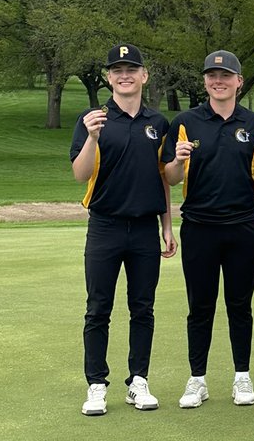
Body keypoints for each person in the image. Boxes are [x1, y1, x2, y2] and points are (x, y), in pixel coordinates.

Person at [70, 43, 176, 415]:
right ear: (108, 77)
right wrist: (93, 138)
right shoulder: (93, 119)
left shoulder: (158, 123)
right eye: (117, 70)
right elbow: (80, 174)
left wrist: (167, 226)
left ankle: (138, 381)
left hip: (146, 227)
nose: (124, 74)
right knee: (98, 308)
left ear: (144, 75)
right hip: (105, 226)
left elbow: (164, 178)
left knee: (142, 308)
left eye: (131, 69)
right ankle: (96, 384)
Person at [161, 51, 254, 409]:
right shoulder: (185, 122)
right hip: (199, 226)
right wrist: (177, 160)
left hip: (243, 227)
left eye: (225, 75)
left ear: (239, 81)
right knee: (200, 306)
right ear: (205, 81)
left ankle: (242, 377)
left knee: (240, 305)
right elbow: (170, 177)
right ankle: (198, 379)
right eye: (212, 75)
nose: (218, 81)